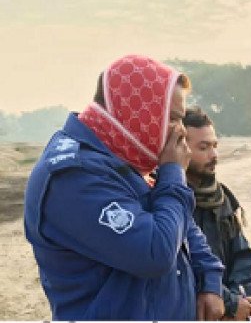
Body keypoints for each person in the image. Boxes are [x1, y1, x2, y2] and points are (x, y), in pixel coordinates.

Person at [24, 55, 225, 320]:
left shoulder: (127, 157)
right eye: (174, 119)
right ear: (141, 114)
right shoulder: (74, 176)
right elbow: (155, 252)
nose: (181, 132)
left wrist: (210, 281)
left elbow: (183, 225)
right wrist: (174, 173)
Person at [183, 106, 251, 321]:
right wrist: (229, 303)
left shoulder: (221, 197)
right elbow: (183, 269)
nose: (214, 155)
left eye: (214, 146)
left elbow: (242, 256)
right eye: (203, 147)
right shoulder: (167, 199)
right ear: (180, 148)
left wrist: (240, 301)